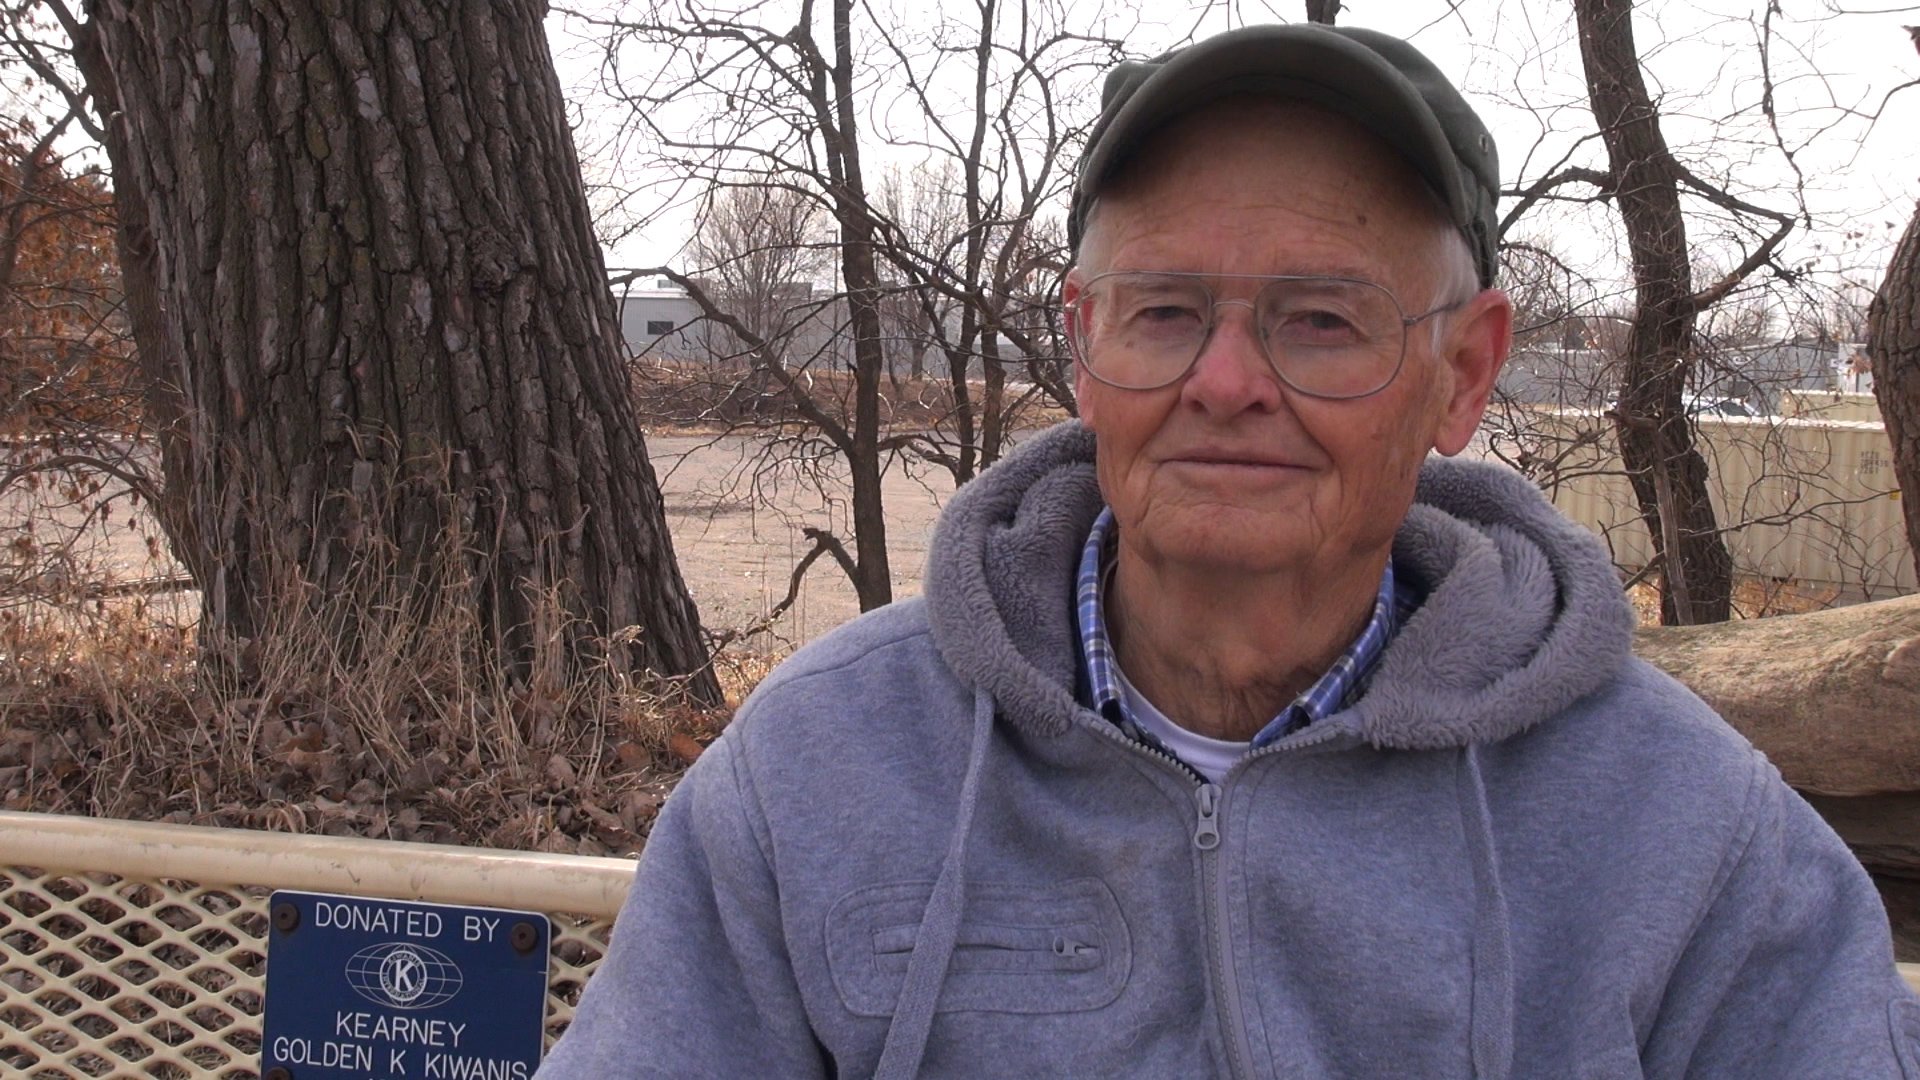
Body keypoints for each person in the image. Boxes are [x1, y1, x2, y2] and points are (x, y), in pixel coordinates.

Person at [539, 24, 1920, 1079]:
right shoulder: (822, 775)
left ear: (1465, 372)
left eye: (1322, 319)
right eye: (1165, 311)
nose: (1226, 381)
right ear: (1082, 346)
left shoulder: (1679, 833)